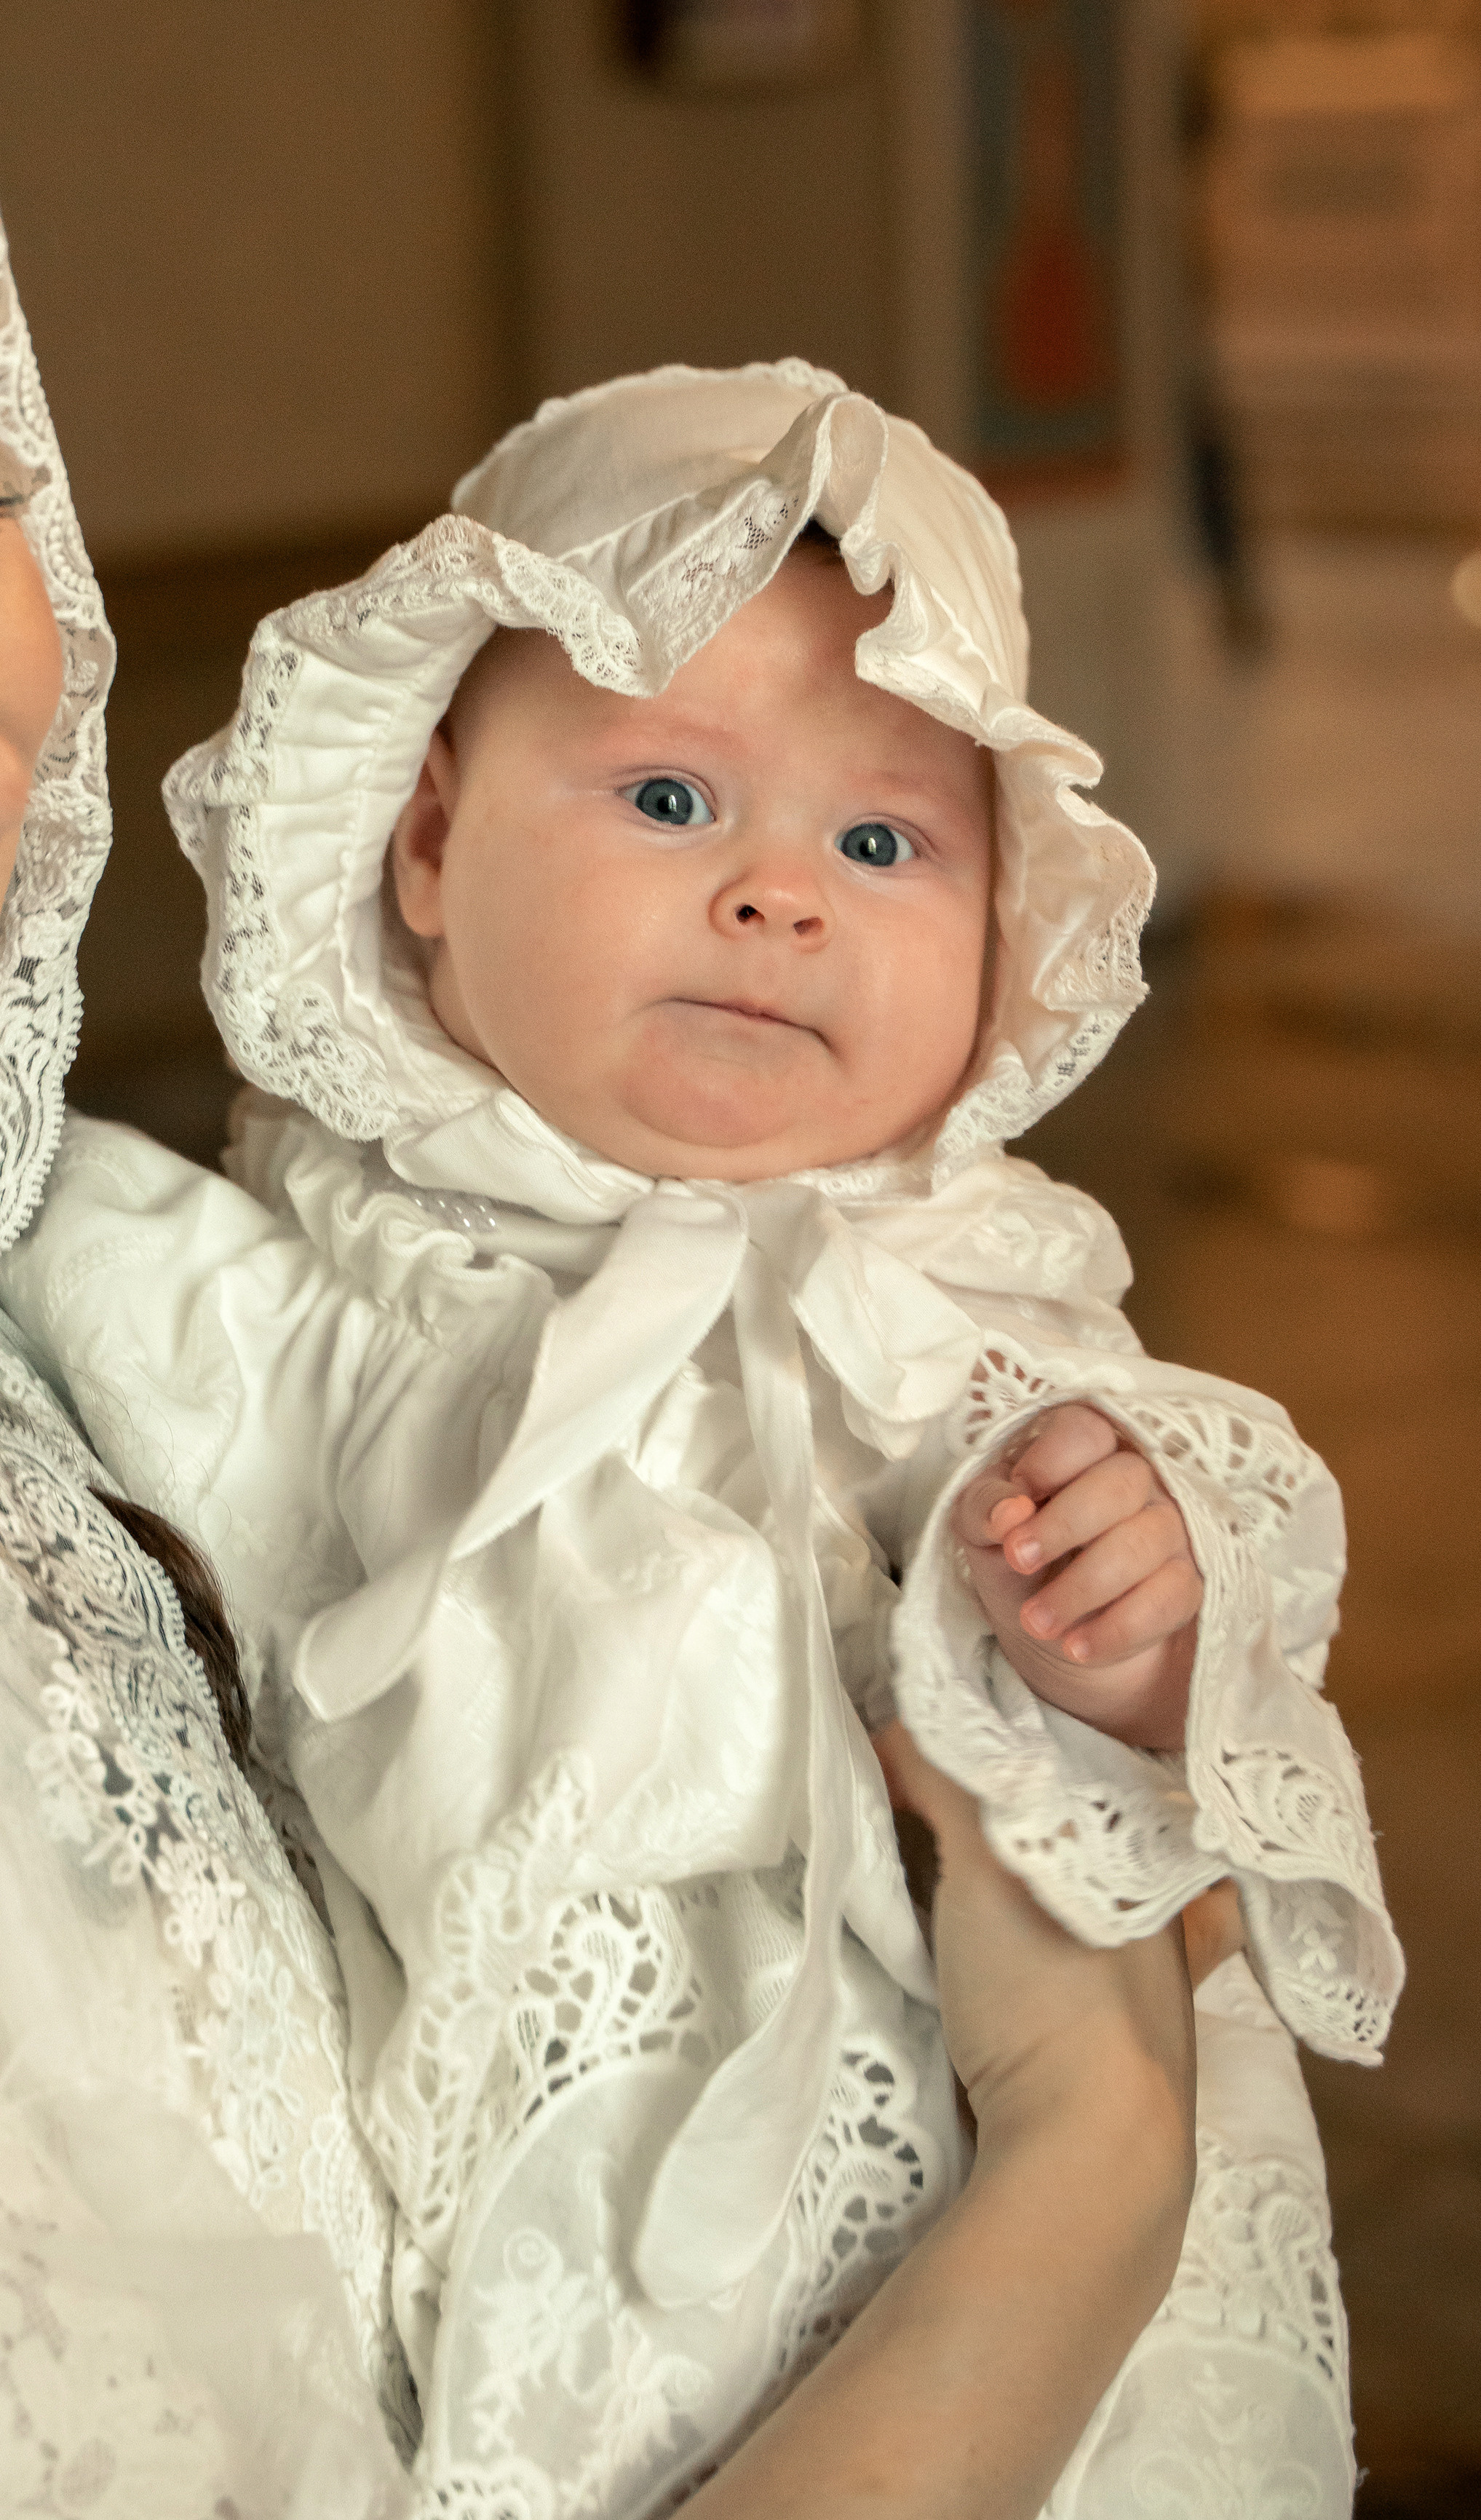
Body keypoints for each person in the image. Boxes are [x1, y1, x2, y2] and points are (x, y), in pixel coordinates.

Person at [2, 358, 1402, 2511]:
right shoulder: (321, 1289)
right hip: (539, 2229)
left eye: (879, 840)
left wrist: (1136, 1636)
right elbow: (62, 1252)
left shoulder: (968, 1312)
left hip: (985, 2227)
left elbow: (1196, 1672)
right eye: (668, 801)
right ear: (434, 843)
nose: (779, 897)